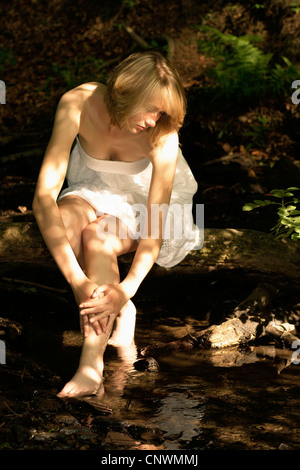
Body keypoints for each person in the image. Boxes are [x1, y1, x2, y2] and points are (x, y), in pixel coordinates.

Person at [33, 50, 201, 398]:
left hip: (142, 205)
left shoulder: (163, 137)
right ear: (127, 92)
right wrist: (79, 283)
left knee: (99, 237)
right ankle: (118, 313)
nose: (156, 120)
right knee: (63, 221)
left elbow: (155, 225)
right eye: (152, 109)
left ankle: (90, 367)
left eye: (163, 113)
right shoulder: (76, 102)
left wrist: (127, 288)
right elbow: (43, 197)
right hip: (91, 189)